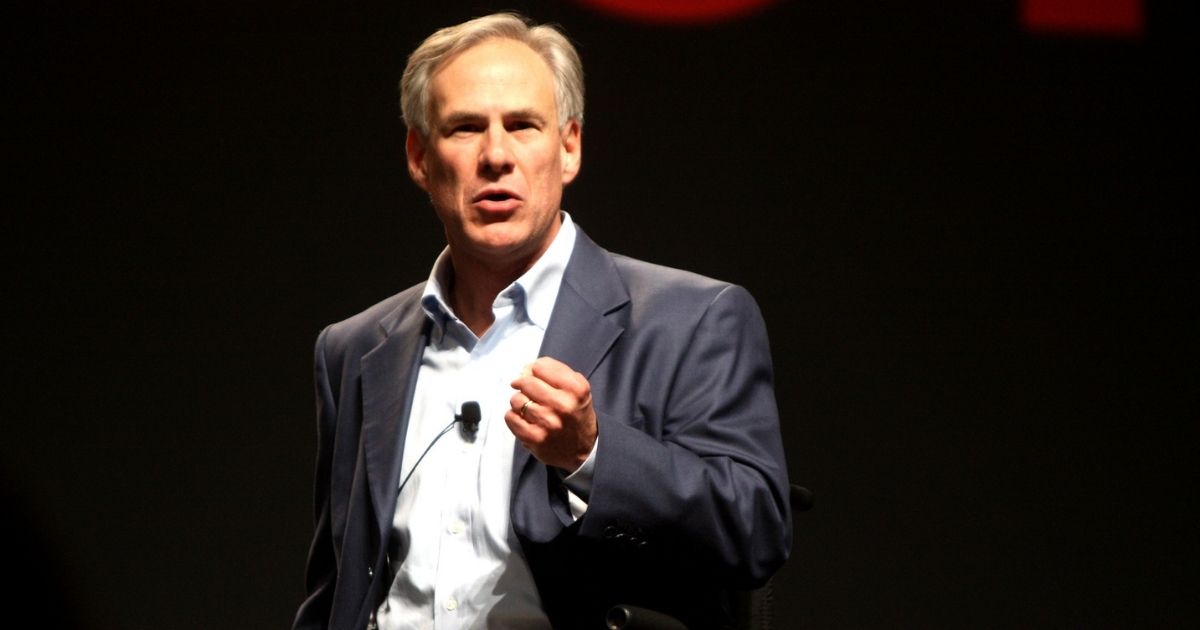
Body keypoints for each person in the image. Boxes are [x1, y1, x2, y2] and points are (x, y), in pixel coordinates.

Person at [293, 12, 791, 630]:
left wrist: (593, 453)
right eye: (466, 128)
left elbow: (757, 532)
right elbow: (337, 583)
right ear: (420, 158)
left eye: (523, 126)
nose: (496, 155)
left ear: (569, 147)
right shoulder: (354, 349)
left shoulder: (692, 320)